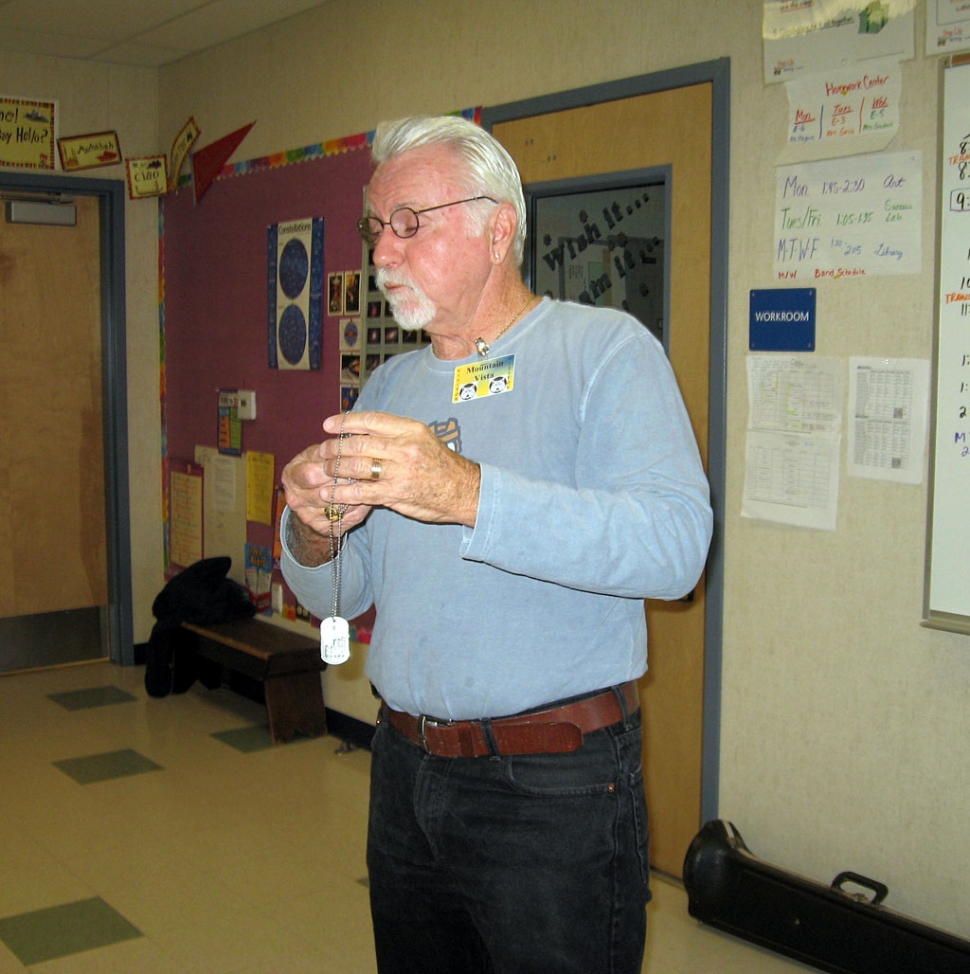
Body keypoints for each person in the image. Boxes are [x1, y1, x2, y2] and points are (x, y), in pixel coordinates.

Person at [280, 115, 712, 974]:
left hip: (552, 788)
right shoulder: (393, 384)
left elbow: (674, 548)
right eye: (377, 227)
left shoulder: (604, 352)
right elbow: (351, 588)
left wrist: (466, 493)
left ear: (498, 226)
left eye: (409, 223)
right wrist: (310, 530)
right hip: (403, 770)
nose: (383, 252)